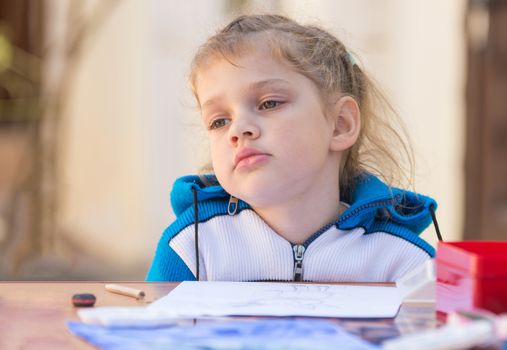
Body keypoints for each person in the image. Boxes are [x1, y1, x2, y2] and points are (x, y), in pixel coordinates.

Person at [146, 14, 438, 282]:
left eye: (268, 103)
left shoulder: (405, 262)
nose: (237, 130)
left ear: (340, 124)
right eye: (219, 121)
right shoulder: (191, 247)